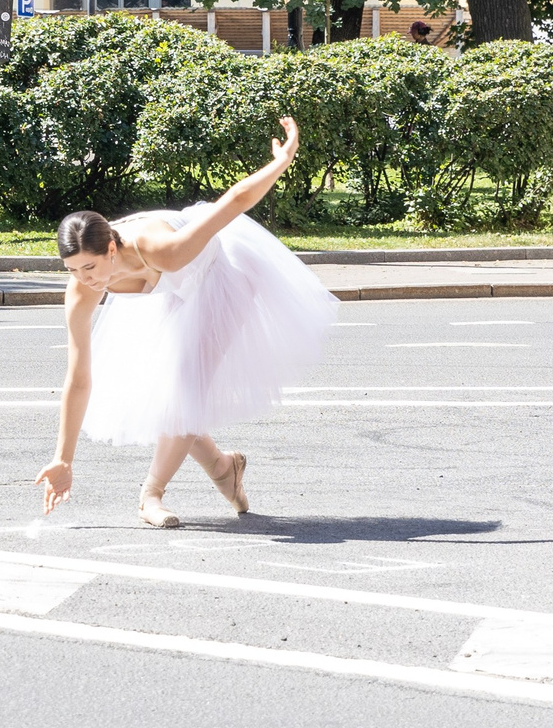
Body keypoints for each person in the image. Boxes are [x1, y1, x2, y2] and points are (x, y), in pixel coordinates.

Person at [37, 116, 338, 528]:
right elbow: (79, 378)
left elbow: (232, 202)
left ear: (111, 248)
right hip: (170, 296)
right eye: (73, 271)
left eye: (89, 267)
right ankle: (222, 466)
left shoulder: (164, 249)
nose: (85, 280)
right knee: (168, 393)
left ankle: (151, 495)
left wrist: (282, 160)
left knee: (184, 386)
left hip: (219, 275)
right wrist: (62, 458)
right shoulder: (81, 291)